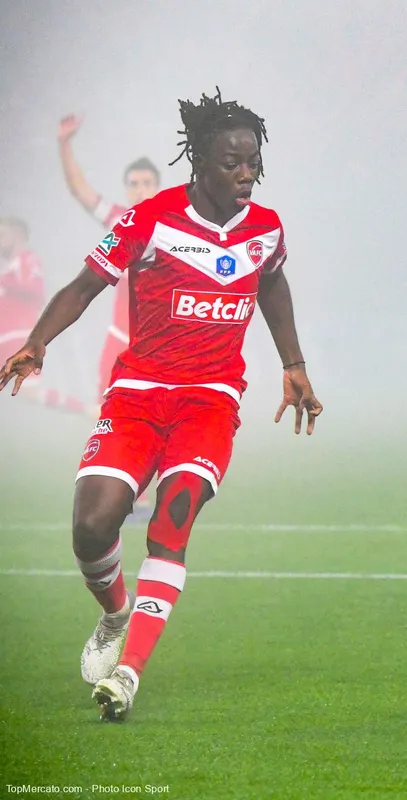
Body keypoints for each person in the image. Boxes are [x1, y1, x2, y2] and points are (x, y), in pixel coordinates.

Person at [0, 88, 323, 722]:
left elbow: (272, 279)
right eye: (232, 162)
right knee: (92, 526)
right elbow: (86, 283)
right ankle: (115, 613)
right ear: (199, 161)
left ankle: (128, 674)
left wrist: (293, 364)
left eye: (253, 161)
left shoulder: (266, 228)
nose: (247, 173)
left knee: (171, 523)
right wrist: (37, 342)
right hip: (138, 395)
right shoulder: (149, 219)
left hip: (210, 401)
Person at [57, 114, 161, 407]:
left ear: (157, 187)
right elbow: (81, 191)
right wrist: (64, 143)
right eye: (133, 184)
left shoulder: (172, 226)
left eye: (146, 183)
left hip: (159, 343)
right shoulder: (120, 219)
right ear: (126, 189)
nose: (140, 189)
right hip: (119, 339)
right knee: (107, 411)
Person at [0, 217, 89, 415]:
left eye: (3, 235)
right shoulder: (9, 265)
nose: (0, 240)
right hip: (6, 333)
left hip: (18, 332)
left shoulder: (26, 259)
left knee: (29, 392)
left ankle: (84, 410)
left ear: (18, 235)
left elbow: (35, 290)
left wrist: (6, 282)